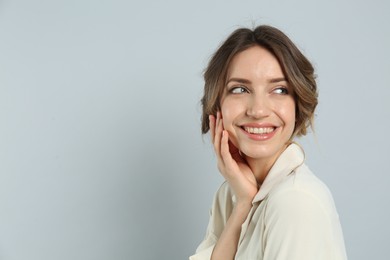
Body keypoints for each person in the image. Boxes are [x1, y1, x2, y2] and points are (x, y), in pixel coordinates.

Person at [190, 25, 348, 260]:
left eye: (280, 89)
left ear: (298, 105)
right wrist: (243, 204)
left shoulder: (295, 202)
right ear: (217, 105)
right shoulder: (232, 195)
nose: (258, 110)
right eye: (240, 89)